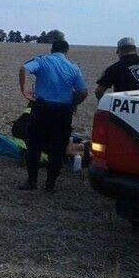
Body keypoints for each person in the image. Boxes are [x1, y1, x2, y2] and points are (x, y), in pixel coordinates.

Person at [18, 40, 87, 192]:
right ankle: (50, 185)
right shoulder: (73, 67)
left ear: (51, 49)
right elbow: (83, 92)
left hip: (42, 109)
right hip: (63, 112)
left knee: (34, 145)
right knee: (58, 148)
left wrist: (24, 90)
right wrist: (72, 104)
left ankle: (32, 182)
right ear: (66, 51)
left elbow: (24, 68)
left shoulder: (42, 60)